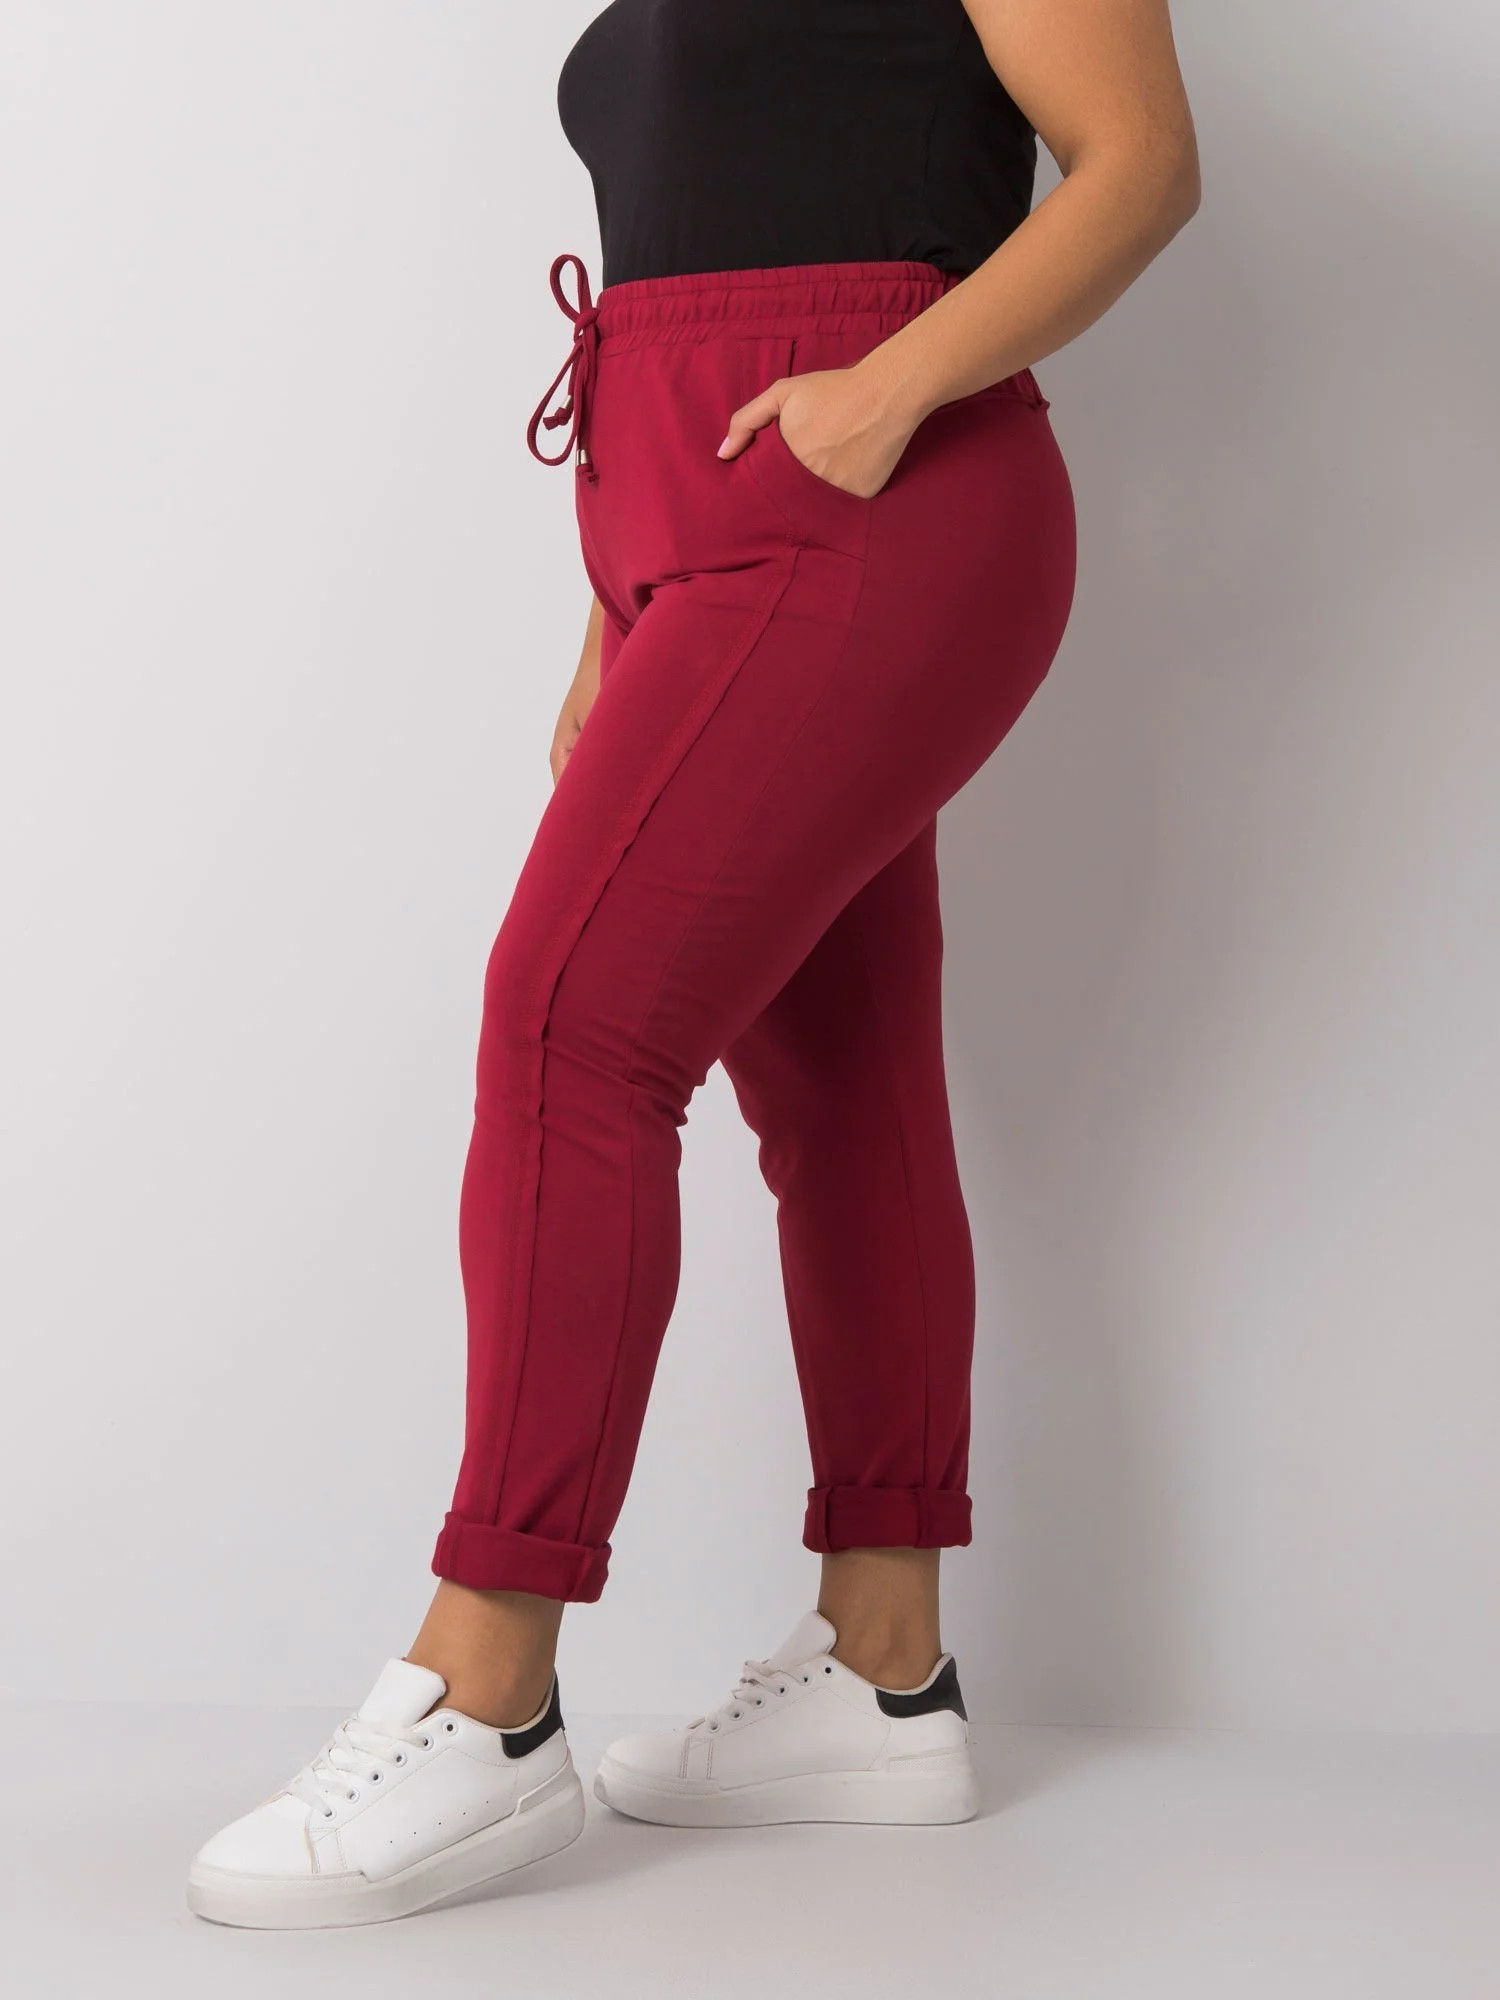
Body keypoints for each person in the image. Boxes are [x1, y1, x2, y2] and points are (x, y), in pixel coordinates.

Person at [187, 0, 1198, 1929]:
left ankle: (488, 1689)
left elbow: (1142, 163)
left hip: (881, 498)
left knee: (571, 1027)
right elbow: (695, 233)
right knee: (840, 1078)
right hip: (689, 536)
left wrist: (884, 393)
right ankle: (884, 1673)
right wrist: (612, 606)